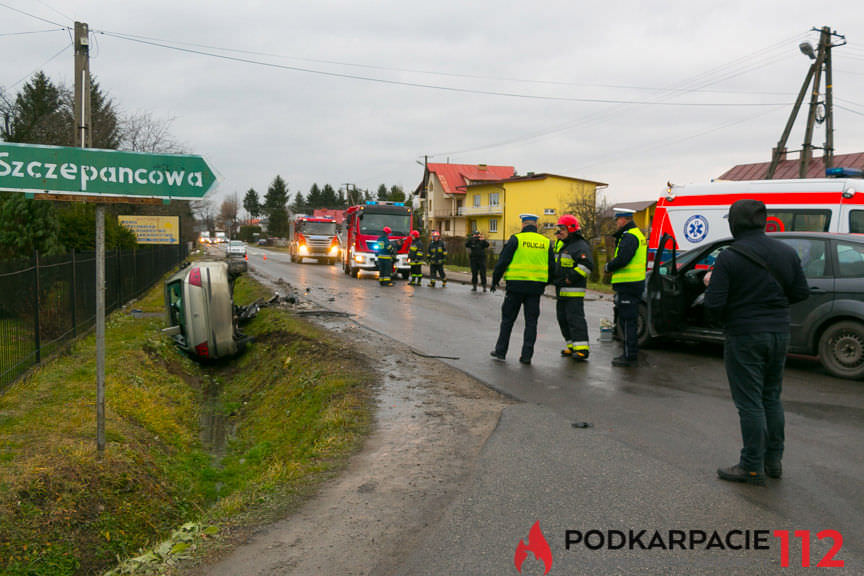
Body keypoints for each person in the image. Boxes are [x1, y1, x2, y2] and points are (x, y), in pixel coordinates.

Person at [704, 199, 809, 486]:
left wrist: (712, 288)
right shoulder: (787, 252)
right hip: (779, 333)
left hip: (745, 335)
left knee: (750, 403)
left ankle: (751, 466)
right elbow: (801, 292)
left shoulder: (729, 257)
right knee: (771, 397)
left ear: (734, 223)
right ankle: (773, 461)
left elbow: (714, 305)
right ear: (763, 222)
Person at [490, 213, 555, 365]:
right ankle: (526, 356)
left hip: (515, 287)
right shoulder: (546, 242)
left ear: (523, 225)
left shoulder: (516, 239)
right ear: (536, 226)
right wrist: (545, 283)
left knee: (507, 320)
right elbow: (552, 267)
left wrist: (495, 280)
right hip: (535, 289)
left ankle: (501, 351)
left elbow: (503, 261)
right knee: (531, 323)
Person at [604, 207, 647, 367]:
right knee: (630, 320)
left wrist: (608, 267)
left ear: (624, 220)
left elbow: (623, 259)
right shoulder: (638, 234)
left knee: (628, 321)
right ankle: (630, 353)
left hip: (628, 285)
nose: (616, 223)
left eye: (617, 220)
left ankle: (629, 355)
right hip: (635, 283)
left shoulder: (629, 237)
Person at [553, 214, 593, 361]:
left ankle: (582, 349)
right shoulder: (566, 245)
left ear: (571, 229)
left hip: (573, 292)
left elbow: (587, 266)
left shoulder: (580, 246)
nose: (560, 232)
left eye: (562, 229)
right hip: (562, 291)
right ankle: (572, 346)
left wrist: (570, 278)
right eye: (559, 229)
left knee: (575, 320)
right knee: (563, 319)